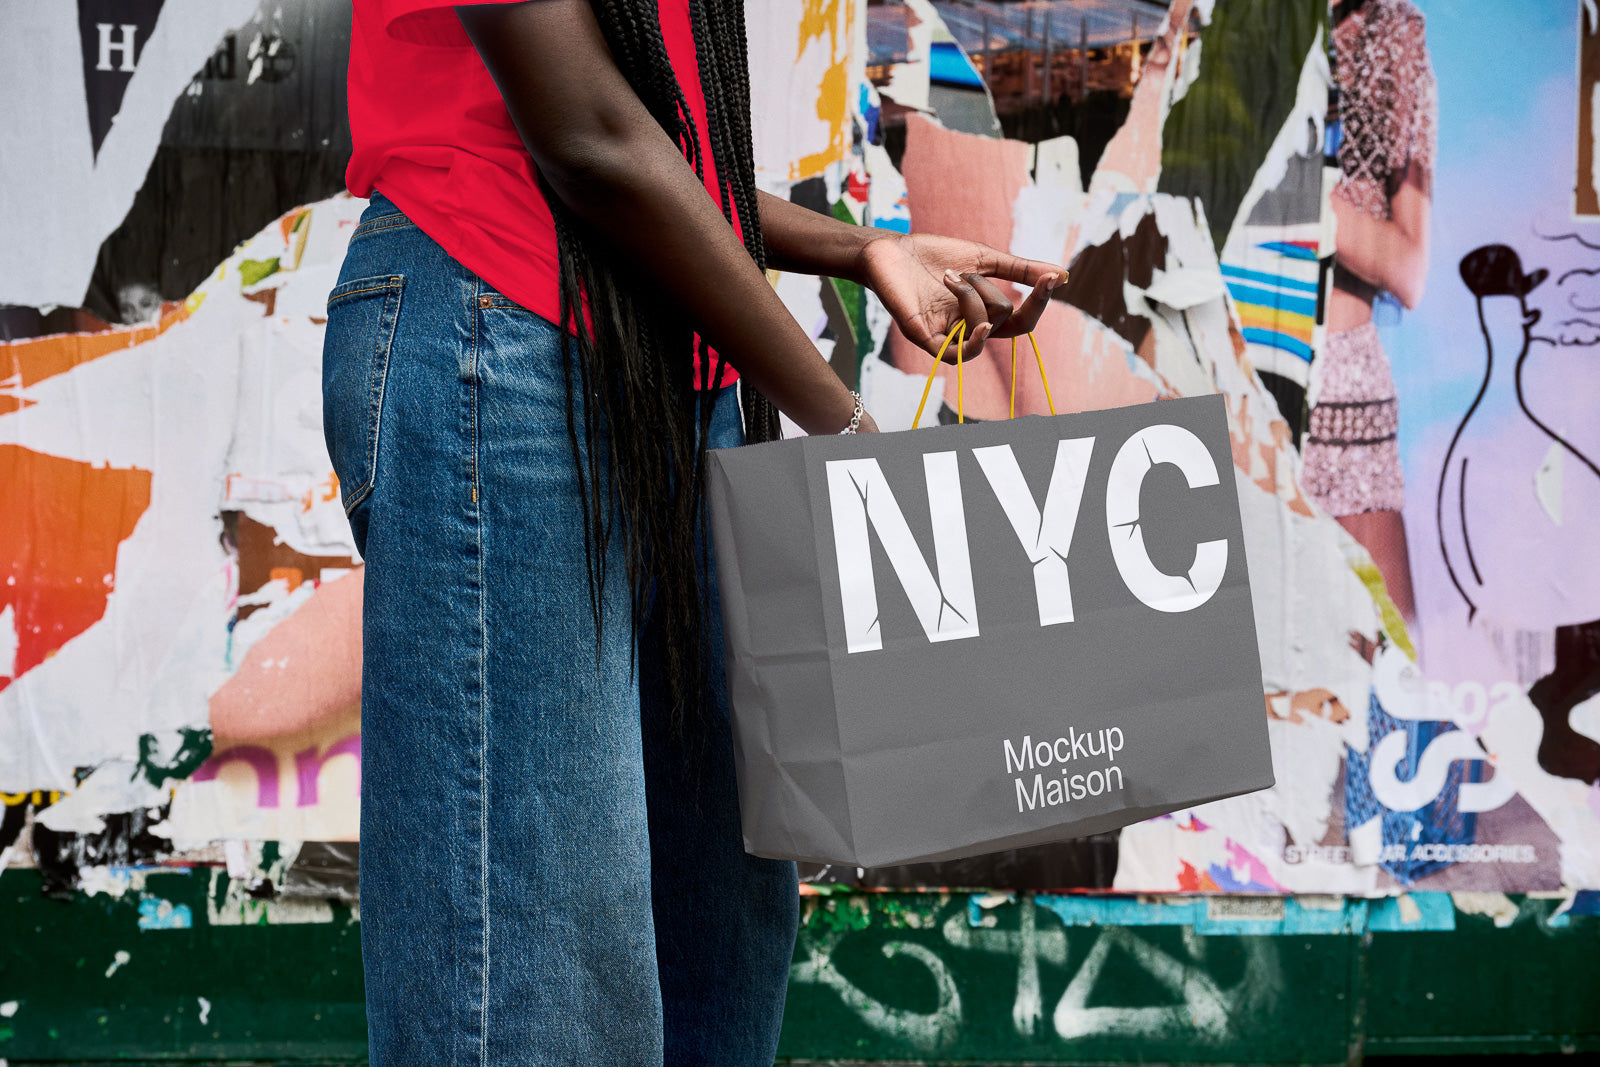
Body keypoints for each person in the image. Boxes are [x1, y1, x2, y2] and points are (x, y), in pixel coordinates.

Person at [325, 1, 1064, 1061]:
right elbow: (584, 133)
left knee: (721, 918)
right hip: (506, 336)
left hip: (683, 364)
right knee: (547, 949)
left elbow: (662, 144)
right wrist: (846, 421)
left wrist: (859, 248)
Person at [1303, 0, 1435, 626]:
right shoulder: (1219, 21)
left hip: (1346, 403)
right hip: (1230, 373)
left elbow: (1410, 270)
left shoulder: (1394, 34)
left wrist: (1297, 199)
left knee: (1385, 680)